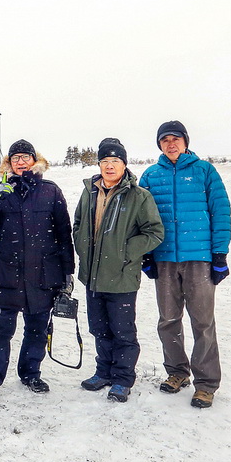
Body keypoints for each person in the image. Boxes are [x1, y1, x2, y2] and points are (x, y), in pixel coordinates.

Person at [139, 121, 231, 409]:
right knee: (168, 320)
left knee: (202, 322)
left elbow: (221, 212)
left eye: (175, 139)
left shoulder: (204, 171)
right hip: (164, 259)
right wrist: (146, 255)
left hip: (199, 260)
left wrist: (219, 255)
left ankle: (205, 384)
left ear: (185, 141)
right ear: (159, 145)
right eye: (165, 140)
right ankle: (177, 372)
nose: (170, 144)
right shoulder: (151, 175)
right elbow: (140, 218)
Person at [0, 139, 74, 402]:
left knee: (37, 328)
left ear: (34, 160)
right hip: (9, 273)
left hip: (44, 273)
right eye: (15, 158)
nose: (20, 162)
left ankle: (30, 373)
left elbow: (64, 233)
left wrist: (67, 272)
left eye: (25, 157)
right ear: (9, 163)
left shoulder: (50, 191)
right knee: (0, 329)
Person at [72, 137, 164, 403]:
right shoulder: (89, 191)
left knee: (123, 331)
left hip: (122, 276)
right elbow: (78, 223)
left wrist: (126, 251)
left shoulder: (138, 196)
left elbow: (155, 232)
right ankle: (103, 372)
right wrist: (82, 244)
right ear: (99, 164)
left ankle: (123, 379)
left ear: (124, 164)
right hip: (93, 275)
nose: (109, 166)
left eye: (115, 161)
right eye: (105, 161)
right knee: (99, 328)